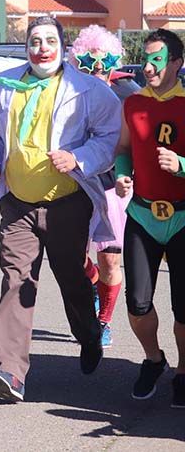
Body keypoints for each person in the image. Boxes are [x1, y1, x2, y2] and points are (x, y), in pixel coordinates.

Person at [0, 16, 121, 402]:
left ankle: (89, 335)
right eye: (34, 41)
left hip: (67, 203)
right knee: (15, 280)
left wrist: (79, 158)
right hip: (18, 204)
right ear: (25, 46)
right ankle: (10, 370)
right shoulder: (3, 87)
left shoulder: (87, 90)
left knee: (71, 278)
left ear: (63, 46)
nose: (41, 48)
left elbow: (110, 136)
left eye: (49, 41)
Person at [114, 29, 185, 408]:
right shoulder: (133, 103)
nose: (148, 65)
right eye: (146, 58)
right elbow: (123, 148)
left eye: (157, 59)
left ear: (176, 62)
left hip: (184, 218)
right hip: (142, 213)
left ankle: (184, 372)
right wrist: (121, 174)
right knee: (137, 304)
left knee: (184, 308)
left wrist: (182, 165)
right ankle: (154, 359)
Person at [68, 24, 129, 347]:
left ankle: (103, 320)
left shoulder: (126, 95)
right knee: (72, 257)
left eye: (104, 63)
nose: (97, 70)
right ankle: (92, 284)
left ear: (113, 63)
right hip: (76, 186)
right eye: (89, 64)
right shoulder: (72, 96)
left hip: (112, 189)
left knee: (110, 260)